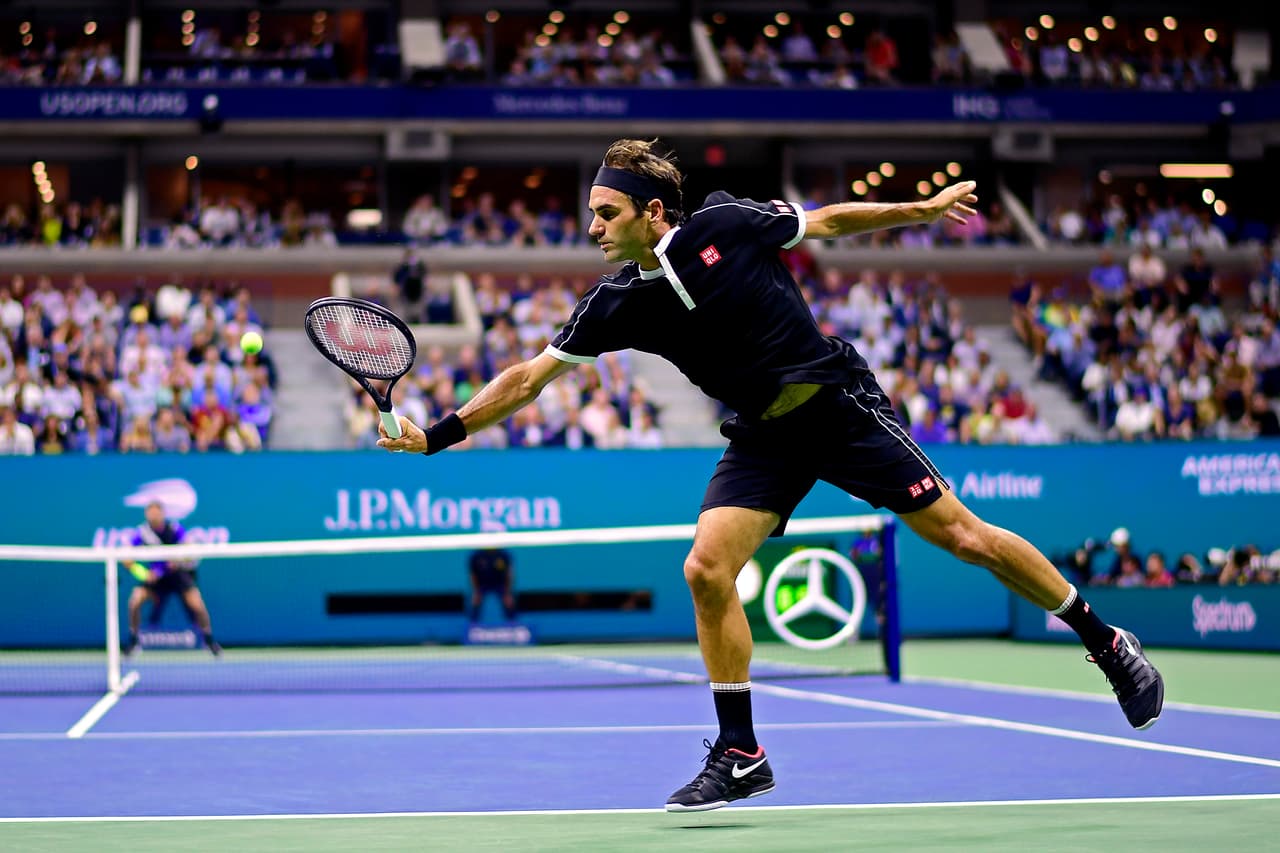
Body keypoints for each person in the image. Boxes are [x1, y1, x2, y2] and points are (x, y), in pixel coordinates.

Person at [376, 138, 1164, 811]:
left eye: (607, 213)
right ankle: (742, 752)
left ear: (655, 212)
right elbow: (526, 378)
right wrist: (437, 435)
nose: (593, 228)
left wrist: (915, 214)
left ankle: (1104, 637)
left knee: (965, 538)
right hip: (764, 435)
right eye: (591, 213)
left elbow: (824, 221)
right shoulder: (616, 304)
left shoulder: (724, 223)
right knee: (707, 568)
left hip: (836, 404)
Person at [123, 500, 222, 656]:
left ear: (162, 514)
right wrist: (144, 574)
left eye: (156, 512)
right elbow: (126, 559)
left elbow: (189, 550)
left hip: (177, 576)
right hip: (156, 578)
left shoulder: (174, 529)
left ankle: (208, 640)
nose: (153, 516)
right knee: (135, 600)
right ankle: (134, 641)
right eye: (150, 513)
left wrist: (177, 560)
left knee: (198, 604)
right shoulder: (142, 532)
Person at [468, 547, 516, 623]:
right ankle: (472, 625)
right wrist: (476, 591)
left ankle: (513, 625)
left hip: (500, 583)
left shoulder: (503, 554)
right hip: (482, 583)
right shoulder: (476, 555)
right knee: (475, 600)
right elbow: (472, 575)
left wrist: (507, 592)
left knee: (509, 600)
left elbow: (509, 574)